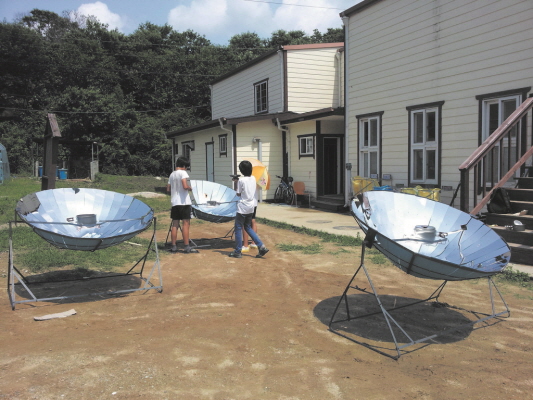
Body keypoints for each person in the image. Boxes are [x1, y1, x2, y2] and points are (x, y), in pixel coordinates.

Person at [229, 160, 269, 259]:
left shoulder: (241, 181)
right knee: (248, 227)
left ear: (241, 171)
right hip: (251, 207)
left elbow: (238, 193)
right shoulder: (253, 178)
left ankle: (238, 251)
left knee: (238, 228)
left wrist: (236, 182)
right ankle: (261, 246)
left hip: (242, 207)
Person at [167, 156, 198, 254]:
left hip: (174, 202)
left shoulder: (172, 174)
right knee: (186, 224)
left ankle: (173, 246)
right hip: (184, 203)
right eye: (187, 166)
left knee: (175, 224)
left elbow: (168, 189)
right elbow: (184, 186)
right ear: (184, 165)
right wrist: (190, 188)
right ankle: (186, 247)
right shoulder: (183, 173)